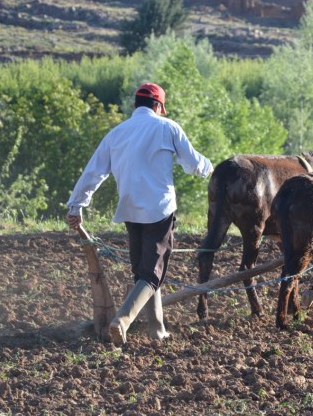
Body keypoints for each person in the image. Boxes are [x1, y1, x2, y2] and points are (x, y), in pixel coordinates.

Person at [66, 83, 213, 345]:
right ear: (158, 106)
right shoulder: (168, 127)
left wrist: (77, 205)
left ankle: (157, 330)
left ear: (136, 105)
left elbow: (94, 171)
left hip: (130, 209)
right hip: (159, 209)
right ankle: (122, 320)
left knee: (144, 272)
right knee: (151, 274)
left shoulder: (117, 133)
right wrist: (208, 168)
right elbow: (193, 164)